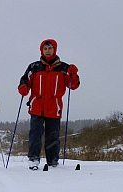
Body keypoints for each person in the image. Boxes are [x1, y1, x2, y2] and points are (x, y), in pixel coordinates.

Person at [18, 39, 80, 170]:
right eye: (45, 49)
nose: (47, 51)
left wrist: (73, 74)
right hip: (37, 106)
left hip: (54, 107)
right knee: (35, 134)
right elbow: (24, 80)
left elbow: (72, 86)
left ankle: (53, 160)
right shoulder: (34, 67)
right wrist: (23, 87)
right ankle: (33, 159)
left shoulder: (64, 68)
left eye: (49, 48)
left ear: (54, 49)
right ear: (41, 50)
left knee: (53, 135)